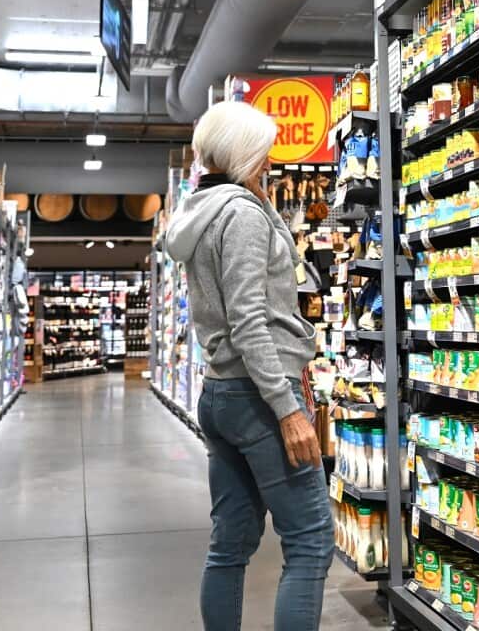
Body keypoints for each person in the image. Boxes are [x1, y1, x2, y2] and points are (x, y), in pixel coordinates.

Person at [165, 101, 333, 631]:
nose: (269, 160)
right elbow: (248, 319)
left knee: (231, 542)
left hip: (222, 392)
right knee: (310, 541)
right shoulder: (240, 216)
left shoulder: (208, 208)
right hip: (262, 393)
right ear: (243, 153)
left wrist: (263, 204)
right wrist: (287, 409)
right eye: (261, 151)